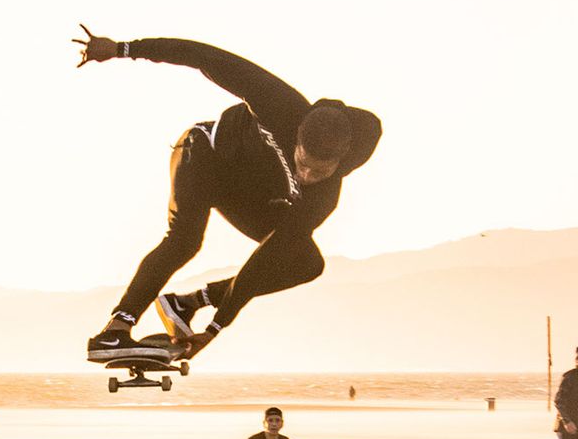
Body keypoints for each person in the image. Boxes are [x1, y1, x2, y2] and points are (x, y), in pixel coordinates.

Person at [73, 28, 382, 362]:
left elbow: (266, 259)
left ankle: (187, 302)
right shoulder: (280, 105)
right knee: (185, 239)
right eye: (301, 162)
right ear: (297, 140)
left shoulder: (322, 199)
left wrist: (216, 326)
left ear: (340, 164)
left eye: (318, 172)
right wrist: (122, 48)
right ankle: (115, 330)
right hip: (203, 154)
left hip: (245, 192)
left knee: (305, 262)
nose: (305, 176)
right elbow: (206, 57)